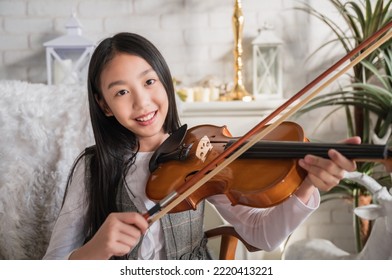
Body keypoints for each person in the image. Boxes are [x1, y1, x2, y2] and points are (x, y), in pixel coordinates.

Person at [43, 32, 359, 260]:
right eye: (121, 92)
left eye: (149, 82)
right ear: (105, 105)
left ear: (165, 80)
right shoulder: (93, 167)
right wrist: (96, 250)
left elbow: (261, 234)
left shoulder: (203, 153)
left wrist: (304, 187)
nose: (142, 102)